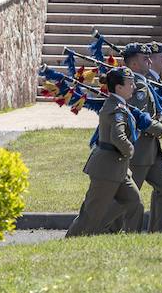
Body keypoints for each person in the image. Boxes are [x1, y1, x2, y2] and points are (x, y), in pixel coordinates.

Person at [66, 67, 144, 237]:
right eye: (130, 84)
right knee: (90, 213)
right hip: (107, 168)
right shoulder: (116, 108)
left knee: (132, 200)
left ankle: (97, 230)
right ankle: (71, 241)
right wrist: (130, 151)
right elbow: (118, 138)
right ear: (119, 88)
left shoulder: (119, 105)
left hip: (118, 168)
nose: (134, 87)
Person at [121, 43, 162, 232]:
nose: (149, 61)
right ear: (134, 64)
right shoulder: (135, 86)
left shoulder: (143, 82)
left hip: (152, 151)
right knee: (129, 198)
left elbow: (150, 113)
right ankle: (118, 231)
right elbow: (139, 119)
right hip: (139, 151)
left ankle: (158, 231)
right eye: (144, 58)